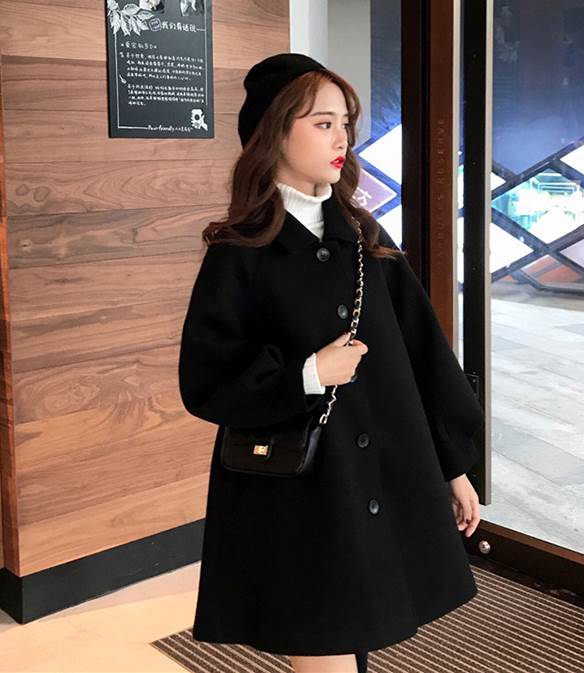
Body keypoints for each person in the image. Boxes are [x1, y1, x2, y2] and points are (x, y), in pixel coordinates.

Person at [178, 52, 485, 673]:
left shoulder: (365, 238)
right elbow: (206, 379)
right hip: (301, 490)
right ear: (273, 132)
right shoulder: (240, 251)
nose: (342, 139)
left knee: (361, 629)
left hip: (384, 473)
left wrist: (454, 467)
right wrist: (308, 374)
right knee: (325, 637)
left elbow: (425, 357)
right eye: (323, 124)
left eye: (345, 123)